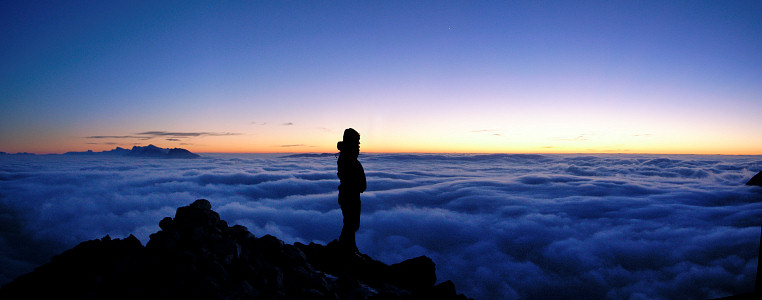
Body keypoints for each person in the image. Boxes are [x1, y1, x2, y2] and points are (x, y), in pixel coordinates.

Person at [336, 128, 366, 253]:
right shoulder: (348, 160)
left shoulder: (348, 159)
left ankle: (349, 248)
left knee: (351, 223)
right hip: (349, 196)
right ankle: (347, 250)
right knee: (350, 223)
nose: (358, 147)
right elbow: (348, 178)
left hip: (350, 195)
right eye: (357, 143)